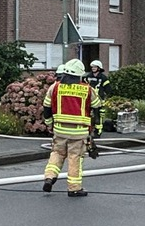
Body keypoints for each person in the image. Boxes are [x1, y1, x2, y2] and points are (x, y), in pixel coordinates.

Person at [41, 58, 102, 197]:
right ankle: (74, 188)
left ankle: (49, 177)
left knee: (57, 154)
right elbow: (97, 106)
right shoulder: (87, 89)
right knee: (75, 159)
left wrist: (49, 123)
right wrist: (96, 128)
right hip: (78, 133)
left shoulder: (55, 87)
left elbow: (46, 107)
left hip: (60, 130)